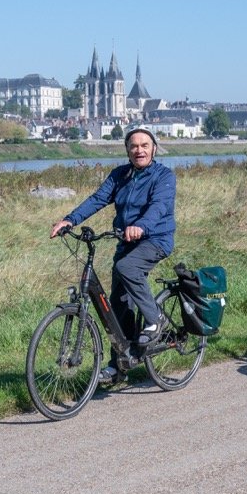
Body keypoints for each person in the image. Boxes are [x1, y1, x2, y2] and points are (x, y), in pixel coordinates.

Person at [50, 126, 176, 379]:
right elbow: (98, 199)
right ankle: (121, 363)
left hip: (155, 238)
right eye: (133, 146)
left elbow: (159, 207)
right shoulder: (120, 175)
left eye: (144, 145)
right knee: (117, 304)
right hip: (126, 241)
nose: (138, 150)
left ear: (153, 148)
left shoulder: (164, 176)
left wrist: (141, 226)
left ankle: (156, 319)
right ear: (127, 150)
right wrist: (69, 220)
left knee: (126, 268)